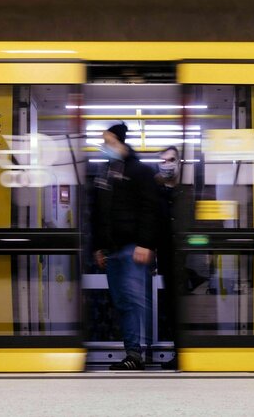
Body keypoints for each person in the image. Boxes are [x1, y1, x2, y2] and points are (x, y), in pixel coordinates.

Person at [91, 123, 158, 370]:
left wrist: (145, 243)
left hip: (132, 247)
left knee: (134, 300)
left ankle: (139, 352)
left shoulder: (140, 172)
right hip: (111, 249)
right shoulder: (103, 174)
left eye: (109, 142)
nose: (105, 147)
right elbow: (98, 213)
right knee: (121, 302)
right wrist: (98, 247)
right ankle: (134, 352)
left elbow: (150, 211)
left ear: (120, 142)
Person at [153, 146, 191, 370]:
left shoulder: (188, 191)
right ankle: (179, 351)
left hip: (188, 257)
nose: (167, 164)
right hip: (167, 256)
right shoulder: (155, 193)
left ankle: (188, 350)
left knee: (188, 306)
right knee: (172, 307)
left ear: (179, 162)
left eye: (171, 160)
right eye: (163, 160)